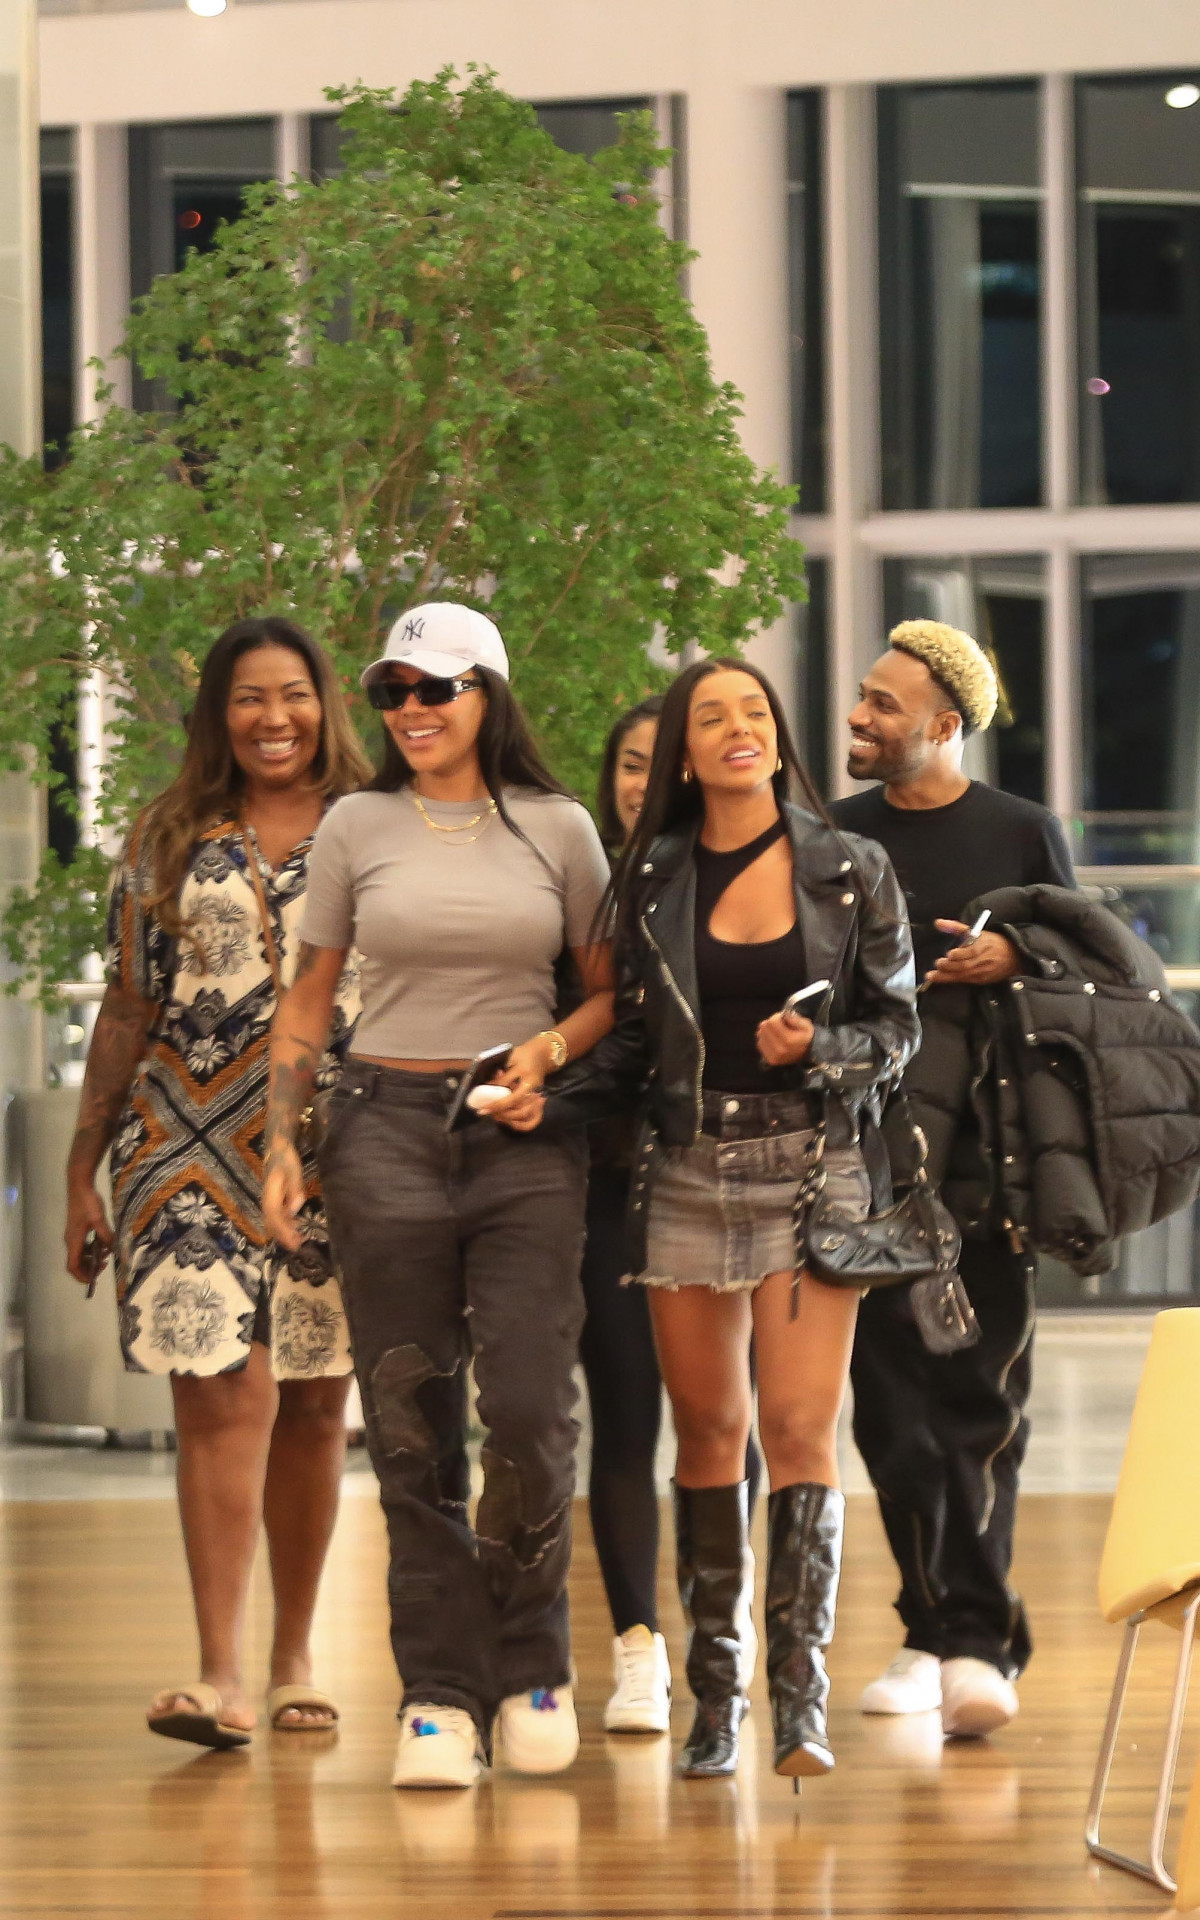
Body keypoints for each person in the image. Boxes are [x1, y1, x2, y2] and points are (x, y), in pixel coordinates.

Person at [517, 658, 919, 1781]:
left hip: (815, 1165)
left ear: (777, 737)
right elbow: (639, 1052)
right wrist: (547, 1100)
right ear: (686, 755)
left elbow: (897, 1034)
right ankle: (716, 1702)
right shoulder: (653, 876)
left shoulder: (852, 867)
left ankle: (799, 1703)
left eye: (754, 712)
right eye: (713, 717)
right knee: (705, 1434)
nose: (738, 728)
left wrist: (825, 1049)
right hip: (688, 1166)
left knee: (797, 1428)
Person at [260, 600, 613, 1793]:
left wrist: (544, 1062)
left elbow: (607, 997)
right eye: (394, 692)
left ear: (488, 697)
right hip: (382, 1130)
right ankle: (439, 1697)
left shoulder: (561, 830)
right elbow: (309, 1000)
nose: (411, 709)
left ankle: (534, 1672)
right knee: (410, 1424)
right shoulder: (357, 824)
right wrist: (280, 1142)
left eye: (436, 688)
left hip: (519, 1140)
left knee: (524, 1407)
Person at [64, 615, 372, 1748]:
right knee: (216, 1393)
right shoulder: (170, 834)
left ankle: (297, 1659)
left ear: (324, 702)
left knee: (313, 1398)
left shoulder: (375, 825)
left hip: (341, 1148)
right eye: (249, 698)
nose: (273, 718)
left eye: (292, 694)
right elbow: (126, 1006)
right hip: (176, 1143)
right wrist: (78, 1172)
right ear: (217, 713)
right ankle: (219, 1673)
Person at [828, 618, 1076, 1739]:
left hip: (994, 1165)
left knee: (980, 1403)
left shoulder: (1022, 831)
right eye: (862, 697)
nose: (859, 717)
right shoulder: (836, 835)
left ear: (942, 724)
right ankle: (930, 1624)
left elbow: (1097, 975)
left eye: (883, 704)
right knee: (888, 1416)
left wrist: (1022, 957)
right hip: (867, 1169)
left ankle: (979, 1642)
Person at [584, 697, 762, 1737]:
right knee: (625, 1418)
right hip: (612, 1185)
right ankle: (637, 1648)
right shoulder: (598, 889)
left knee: (724, 1424)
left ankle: (720, 1628)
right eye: (628, 764)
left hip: (724, 1183)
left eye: (660, 765)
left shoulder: (747, 879)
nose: (641, 783)